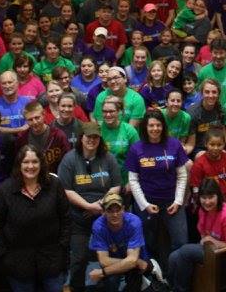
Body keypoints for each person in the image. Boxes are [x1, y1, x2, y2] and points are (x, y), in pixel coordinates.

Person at [0, 145, 71, 292]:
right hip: (17, 261)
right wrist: (2, 254)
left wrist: (62, 246)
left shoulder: (54, 185)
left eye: (35, 161)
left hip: (51, 258)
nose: (30, 166)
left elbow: (65, 217)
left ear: (41, 163)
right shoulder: (5, 190)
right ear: (19, 164)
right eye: (26, 162)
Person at [58, 121, 122, 292]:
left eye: (96, 137)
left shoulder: (108, 158)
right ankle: (76, 287)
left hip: (106, 215)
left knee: (111, 256)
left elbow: (116, 186)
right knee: (78, 259)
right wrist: (87, 206)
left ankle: (107, 286)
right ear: (81, 138)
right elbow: (65, 189)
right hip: (79, 217)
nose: (92, 140)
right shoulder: (70, 158)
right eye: (88, 136)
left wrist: (100, 205)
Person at [124, 111, 188, 270]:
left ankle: (173, 276)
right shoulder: (136, 148)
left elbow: (182, 175)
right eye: (151, 125)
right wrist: (144, 205)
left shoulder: (174, 144)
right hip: (146, 202)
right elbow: (133, 180)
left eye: (158, 125)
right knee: (148, 243)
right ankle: (153, 278)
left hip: (172, 202)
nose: (155, 128)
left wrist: (178, 201)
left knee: (181, 242)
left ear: (163, 126)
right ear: (145, 127)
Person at [167, 178, 226, 292]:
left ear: (218, 196)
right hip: (210, 249)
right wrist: (208, 241)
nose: (207, 202)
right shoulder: (203, 210)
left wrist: (212, 241)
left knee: (186, 250)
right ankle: (172, 288)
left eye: (211, 197)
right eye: (203, 198)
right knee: (173, 257)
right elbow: (203, 235)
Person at [88, 191, 152, 292]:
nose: (115, 214)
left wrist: (103, 272)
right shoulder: (98, 226)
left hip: (138, 262)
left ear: (123, 209)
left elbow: (132, 260)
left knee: (136, 278)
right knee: (110, 282)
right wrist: (134, 262)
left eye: (118, 210)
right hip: (121, 261)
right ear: (103, 212)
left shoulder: (134, 222)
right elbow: (104, 261)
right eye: (110, 211)